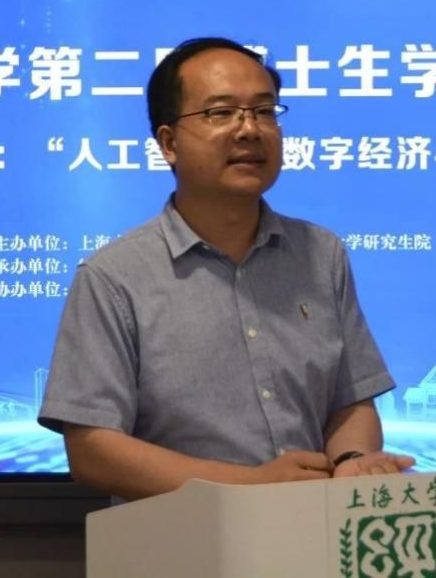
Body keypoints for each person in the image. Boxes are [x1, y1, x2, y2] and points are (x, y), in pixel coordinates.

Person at [38, 37, 414, 500]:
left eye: (264, 111)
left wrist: (353, 461)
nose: (250, 129)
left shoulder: (322, 254)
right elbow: (93, 450)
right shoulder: (114, 276)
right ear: (169, 143)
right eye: (221, 113)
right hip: (182, 538)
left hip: (311, 530)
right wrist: (249, 486)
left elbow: (350, 400)